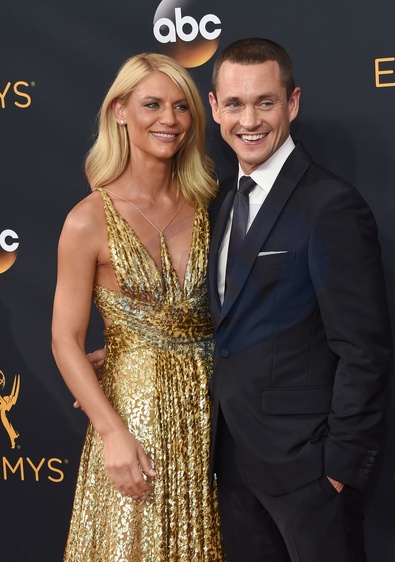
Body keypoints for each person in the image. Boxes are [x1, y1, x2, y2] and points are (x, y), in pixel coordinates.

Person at [206, 37, 392, 562]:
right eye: (235, 104)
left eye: (265, 102)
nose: (249, 121)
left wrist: (338, 468)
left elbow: (364, 349)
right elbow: (228, 322)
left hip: (309, 473)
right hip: (232, 464)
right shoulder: (221, 203)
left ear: (292, 103)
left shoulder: (330, 204)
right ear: (215, 108)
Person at [51, 53, 225, 561]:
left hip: (216, 414)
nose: (169, 119)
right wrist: (112, 433)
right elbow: (65, 339)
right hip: (134, 421)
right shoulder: (87, 220)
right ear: (120, 111)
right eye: (152, 105)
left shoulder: (214, 204)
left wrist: (151, 341)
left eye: (181, 106)